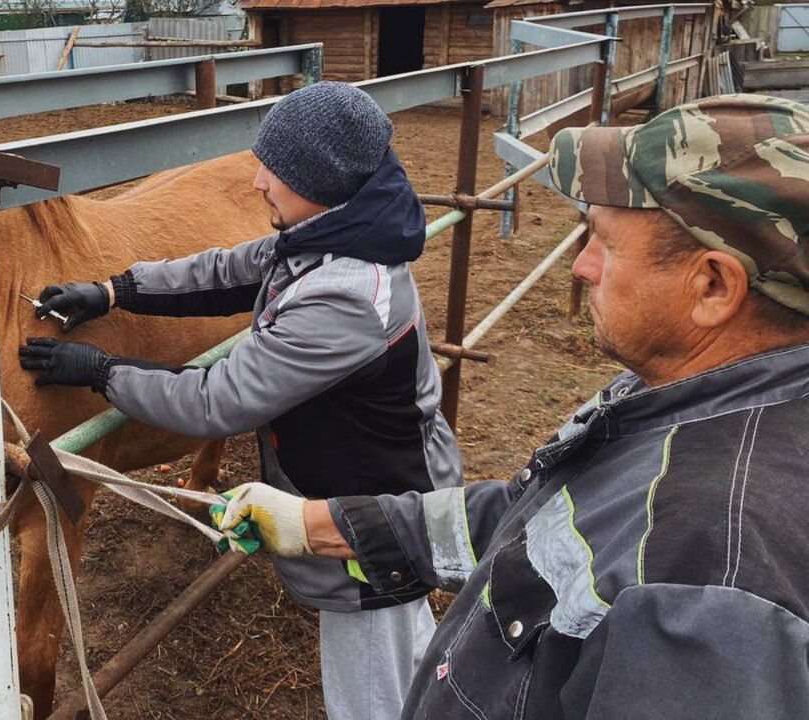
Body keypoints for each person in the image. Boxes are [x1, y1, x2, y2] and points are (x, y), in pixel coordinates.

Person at [211, 93, 809, 718]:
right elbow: (544, 522)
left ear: (713, 286)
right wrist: (319, 525)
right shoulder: (686, 398)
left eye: (604, 243)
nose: (580, 265)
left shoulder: (705, 580)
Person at [18, 81, 462, 720]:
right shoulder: (339, 233)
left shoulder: (345, 296)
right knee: (405, 649)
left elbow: (214, 402)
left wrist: (102, 370)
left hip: (374, 517)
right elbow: (228, 270)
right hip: (372, 483)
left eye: (273, 170)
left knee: (372, 685)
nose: (256, 181)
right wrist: (115, 291)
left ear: (320, 183)